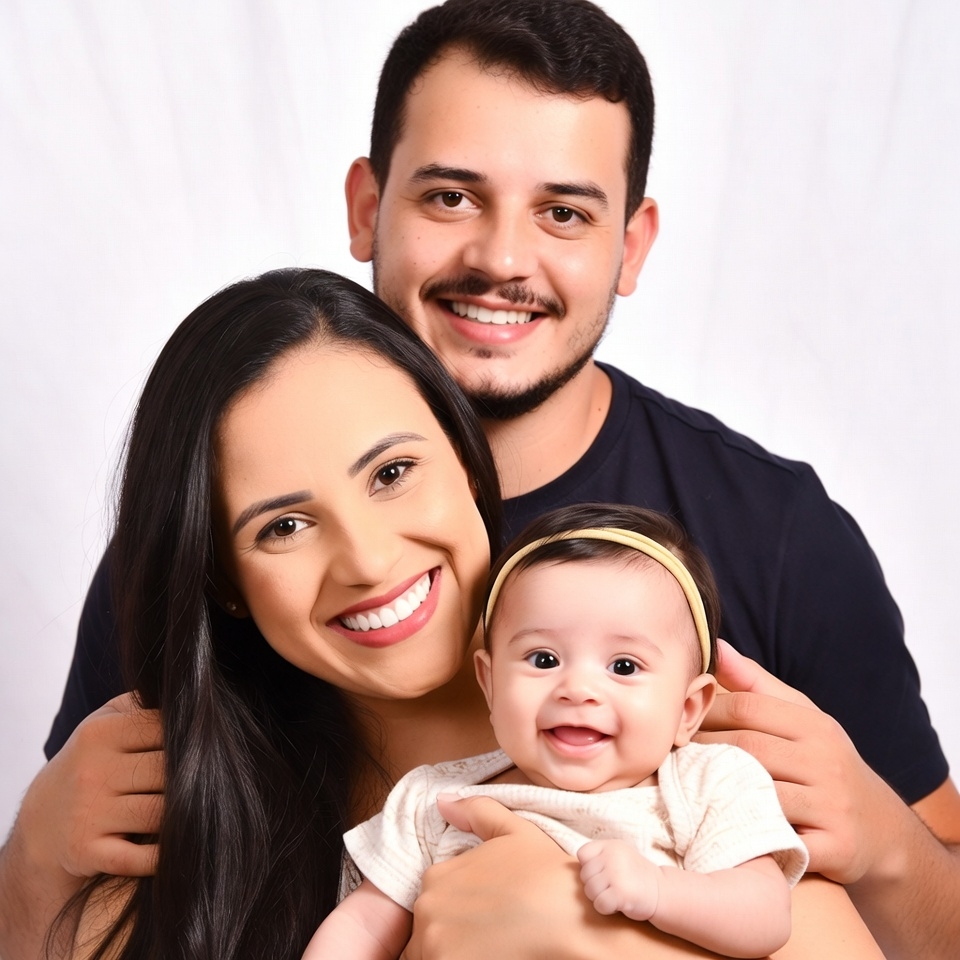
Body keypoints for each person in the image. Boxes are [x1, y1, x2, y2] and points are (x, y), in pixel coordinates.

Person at [1, 0, 957, 956]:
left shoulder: (771, 545)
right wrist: (36, 853)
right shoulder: (202, 592)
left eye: (563, 212)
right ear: (369, 205)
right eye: (450, 196)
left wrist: (880, 846)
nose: (501, 259)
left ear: (630, 243)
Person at [12, 268, 867, 960]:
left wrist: (605, 942)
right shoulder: (174, 817)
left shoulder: (672, 763)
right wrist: (30, 861)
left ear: (467, 459)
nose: (371, 561)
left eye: (391, 473)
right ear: (225, 584)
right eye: (284, 526)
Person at [303, 504, 809, 960]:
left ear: (688, 708)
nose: (578, 689)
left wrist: (658, 891)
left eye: (625, 666)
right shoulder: (433, 799)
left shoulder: (708, 785)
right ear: (491, 683)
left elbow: (764, 915)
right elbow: (365, 926)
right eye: (544, 659)